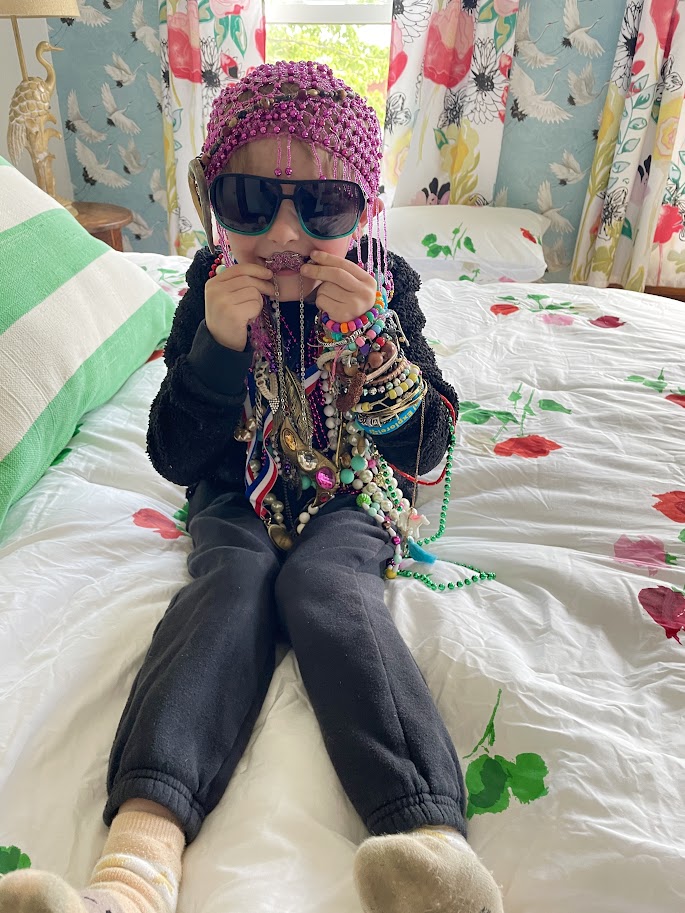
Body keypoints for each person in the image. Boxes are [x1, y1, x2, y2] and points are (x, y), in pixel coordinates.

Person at [0, 62, 503, 913]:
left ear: (365, 211)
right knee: (226, 585)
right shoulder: (207, 289)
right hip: (235, 496)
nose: (284, 233)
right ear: (212, 205)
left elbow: (426, 451)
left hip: (351, 493)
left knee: (329, 589)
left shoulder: (388, 287)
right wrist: (217, 347)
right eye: (248, 201)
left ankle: (432, 848)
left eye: (324, 207)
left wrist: (371, 339)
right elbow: (174, 453)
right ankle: (132, 871)